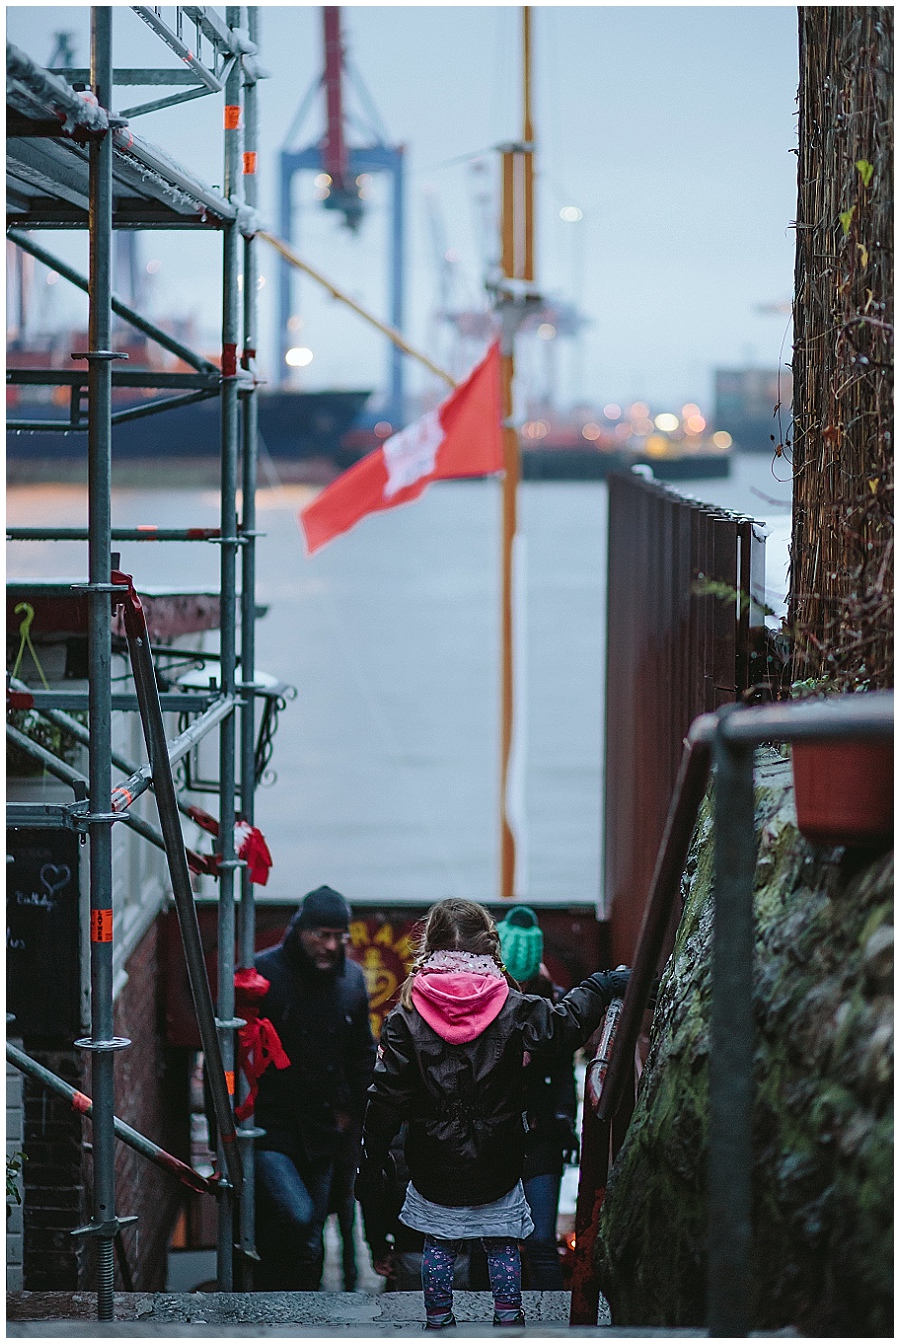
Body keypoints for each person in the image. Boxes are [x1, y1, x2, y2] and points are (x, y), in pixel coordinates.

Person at [355, 898, 629, 1329]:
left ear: (430, 946)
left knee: (439, 1245)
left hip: (432, 1159)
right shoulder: (512, 1006)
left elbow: (385, 1097)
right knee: (502, 1244)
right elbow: (562, 1028)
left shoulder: (404, 1017)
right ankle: (507, 1319)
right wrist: (601, 985)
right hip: (500, 1154)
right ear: (489, 946)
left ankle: (439, 1320)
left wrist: (371, 1159)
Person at [252, 885, 376, 1290]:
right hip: (270, 1126)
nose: (329, 945)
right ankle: (267, 1299)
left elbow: (361, 1056)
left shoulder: (351, 982)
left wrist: (357, 1118)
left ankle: (303, 1319)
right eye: (320, 934)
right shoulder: (263, 975)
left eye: (337, 936)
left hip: (324, 1132)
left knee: (310, 1237)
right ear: (300, 930)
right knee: (297, 1215)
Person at [496, 905, 579, 1291]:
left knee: (538, 1241)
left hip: (537, 1134)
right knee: (499, 1241)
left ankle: (548, 1322)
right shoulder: (486, 1002)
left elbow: (562, 1073)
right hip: (500, 1133)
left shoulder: (551, 1005)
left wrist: (565, 1120)